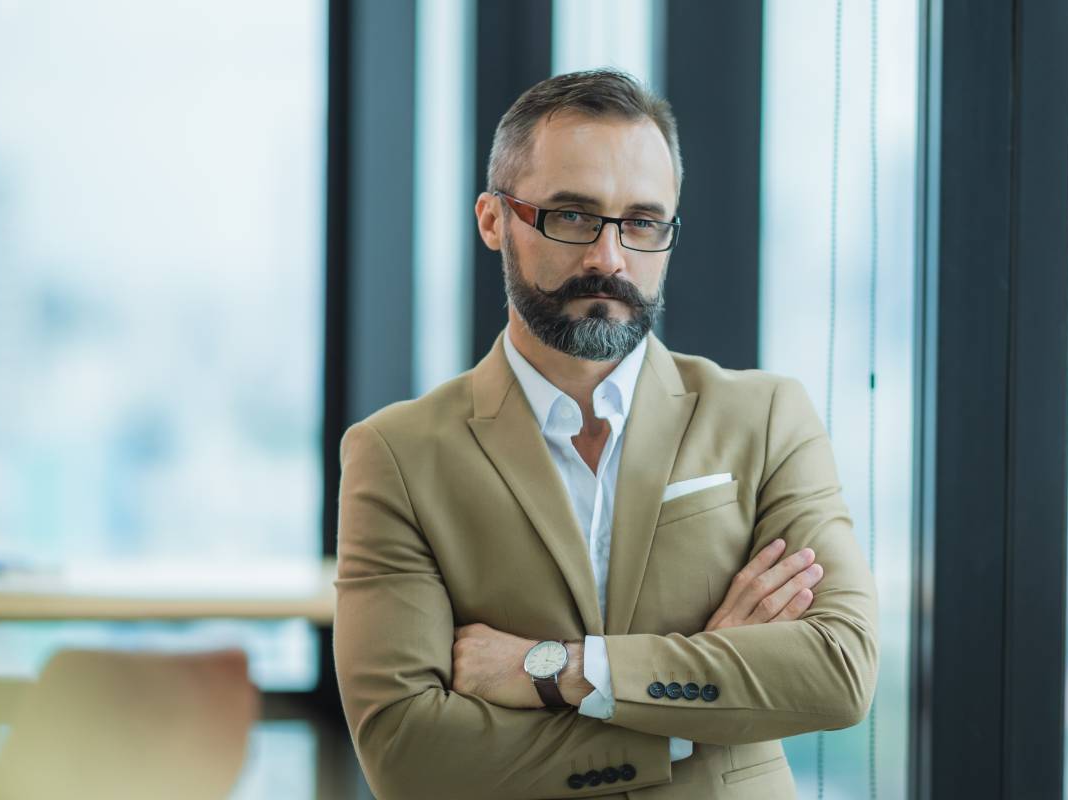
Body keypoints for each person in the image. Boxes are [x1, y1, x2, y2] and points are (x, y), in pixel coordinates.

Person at [332, 69, 877, 799]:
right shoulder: (397, 455)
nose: (609, 259)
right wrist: (704, 703)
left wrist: (561, 670)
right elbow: (408, 753)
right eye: (571, 216)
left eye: (643, 222)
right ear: (495, 220)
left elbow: (838, 671)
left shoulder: (767, 416)